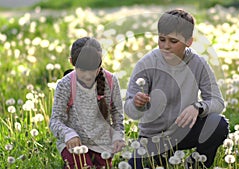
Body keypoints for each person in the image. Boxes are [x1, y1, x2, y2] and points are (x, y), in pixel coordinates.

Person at [124, 9, 229, 168]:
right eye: (161, 39)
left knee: (218, 124)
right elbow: (130, 111)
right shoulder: (146, 64)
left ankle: (196, 165)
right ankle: (162, 158)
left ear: (189, 41)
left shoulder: (198, 64)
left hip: (185, 132)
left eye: (173, 41)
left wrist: (198, 107)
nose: (166, 46)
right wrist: (137, 104)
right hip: (153, 138)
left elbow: (218, 102)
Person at [49, 37, 125, 169]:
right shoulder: (65, 85)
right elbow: (55, 120)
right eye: (83, 70)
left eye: (93, 69)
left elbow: (117, 116)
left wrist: (118, 136)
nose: (88, 76)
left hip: (102, 145)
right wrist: (68, 134)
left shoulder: (111, 81)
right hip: (74, 145)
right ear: (72, 62)